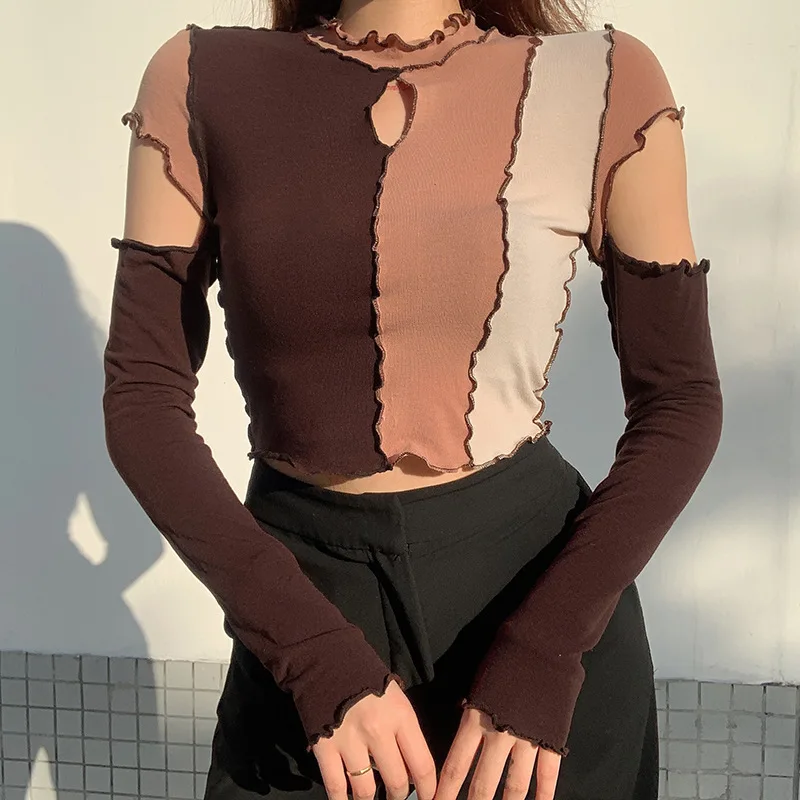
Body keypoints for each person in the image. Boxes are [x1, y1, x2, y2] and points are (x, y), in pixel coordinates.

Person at [102, 0, 723, 798]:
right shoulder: (200, 80)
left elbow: (681, 400)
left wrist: (546, 650)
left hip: (539, 613)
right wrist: (309, 653)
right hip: (301, 610)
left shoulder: (602, 80)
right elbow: (143, 399)